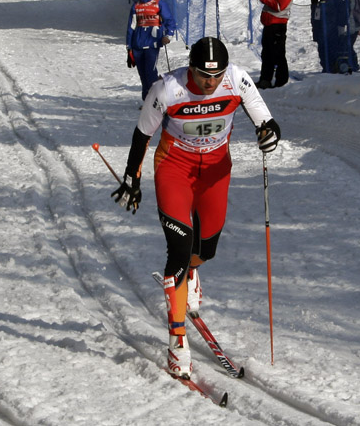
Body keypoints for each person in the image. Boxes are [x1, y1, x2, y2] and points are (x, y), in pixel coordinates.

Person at [111, 36, 281, 379]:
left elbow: (267, 122)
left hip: (216, 172)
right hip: (175, 169)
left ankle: (192, 272)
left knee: (206, 249)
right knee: (179, 246)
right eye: (204, 75)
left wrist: (269, 136)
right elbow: (142, 134)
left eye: (216, 77)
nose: (211, 83)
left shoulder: (237, 79)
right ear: (191, 69)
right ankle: (177, 344)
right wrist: (132, 177)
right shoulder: (167, 90)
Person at [126, 0, 175, 101]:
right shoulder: (136, 6)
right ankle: (147, 101)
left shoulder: (159, 3)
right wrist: (129, 48)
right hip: (137, 45)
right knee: (142, 75)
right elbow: (131, 27)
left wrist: (167, 36)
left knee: (150, 72)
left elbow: (170, 21)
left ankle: (155, 102)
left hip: (152, 44)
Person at [255, 0, 294, 89]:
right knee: (266, 54)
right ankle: (265, 80)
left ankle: (281, 82)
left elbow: (278, 6)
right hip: (269, 25)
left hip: (278, 26)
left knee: (278, 54)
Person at [311, 0, 349, 73]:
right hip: (319, 23)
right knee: (322, 49)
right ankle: (326, 70)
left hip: (332, 24)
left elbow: (342, 6)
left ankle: (333, 72)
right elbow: (313, 4)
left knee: (333, 50)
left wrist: (341, 24)